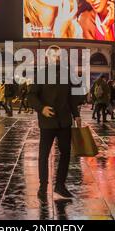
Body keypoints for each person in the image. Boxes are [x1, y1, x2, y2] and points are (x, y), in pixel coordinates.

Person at [28, 46, 82, 200]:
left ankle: (60, 185)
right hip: (47, 122)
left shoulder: (67, 73)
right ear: (47, 57)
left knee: (66, 153)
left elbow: (71, 97)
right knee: (43, 154)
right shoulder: (41, 74)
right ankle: (43, 186)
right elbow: (31, 95)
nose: (56, 58)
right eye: (53, 55)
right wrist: (41, 108)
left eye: (58, 55)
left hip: (64, 122)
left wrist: (76, 115)